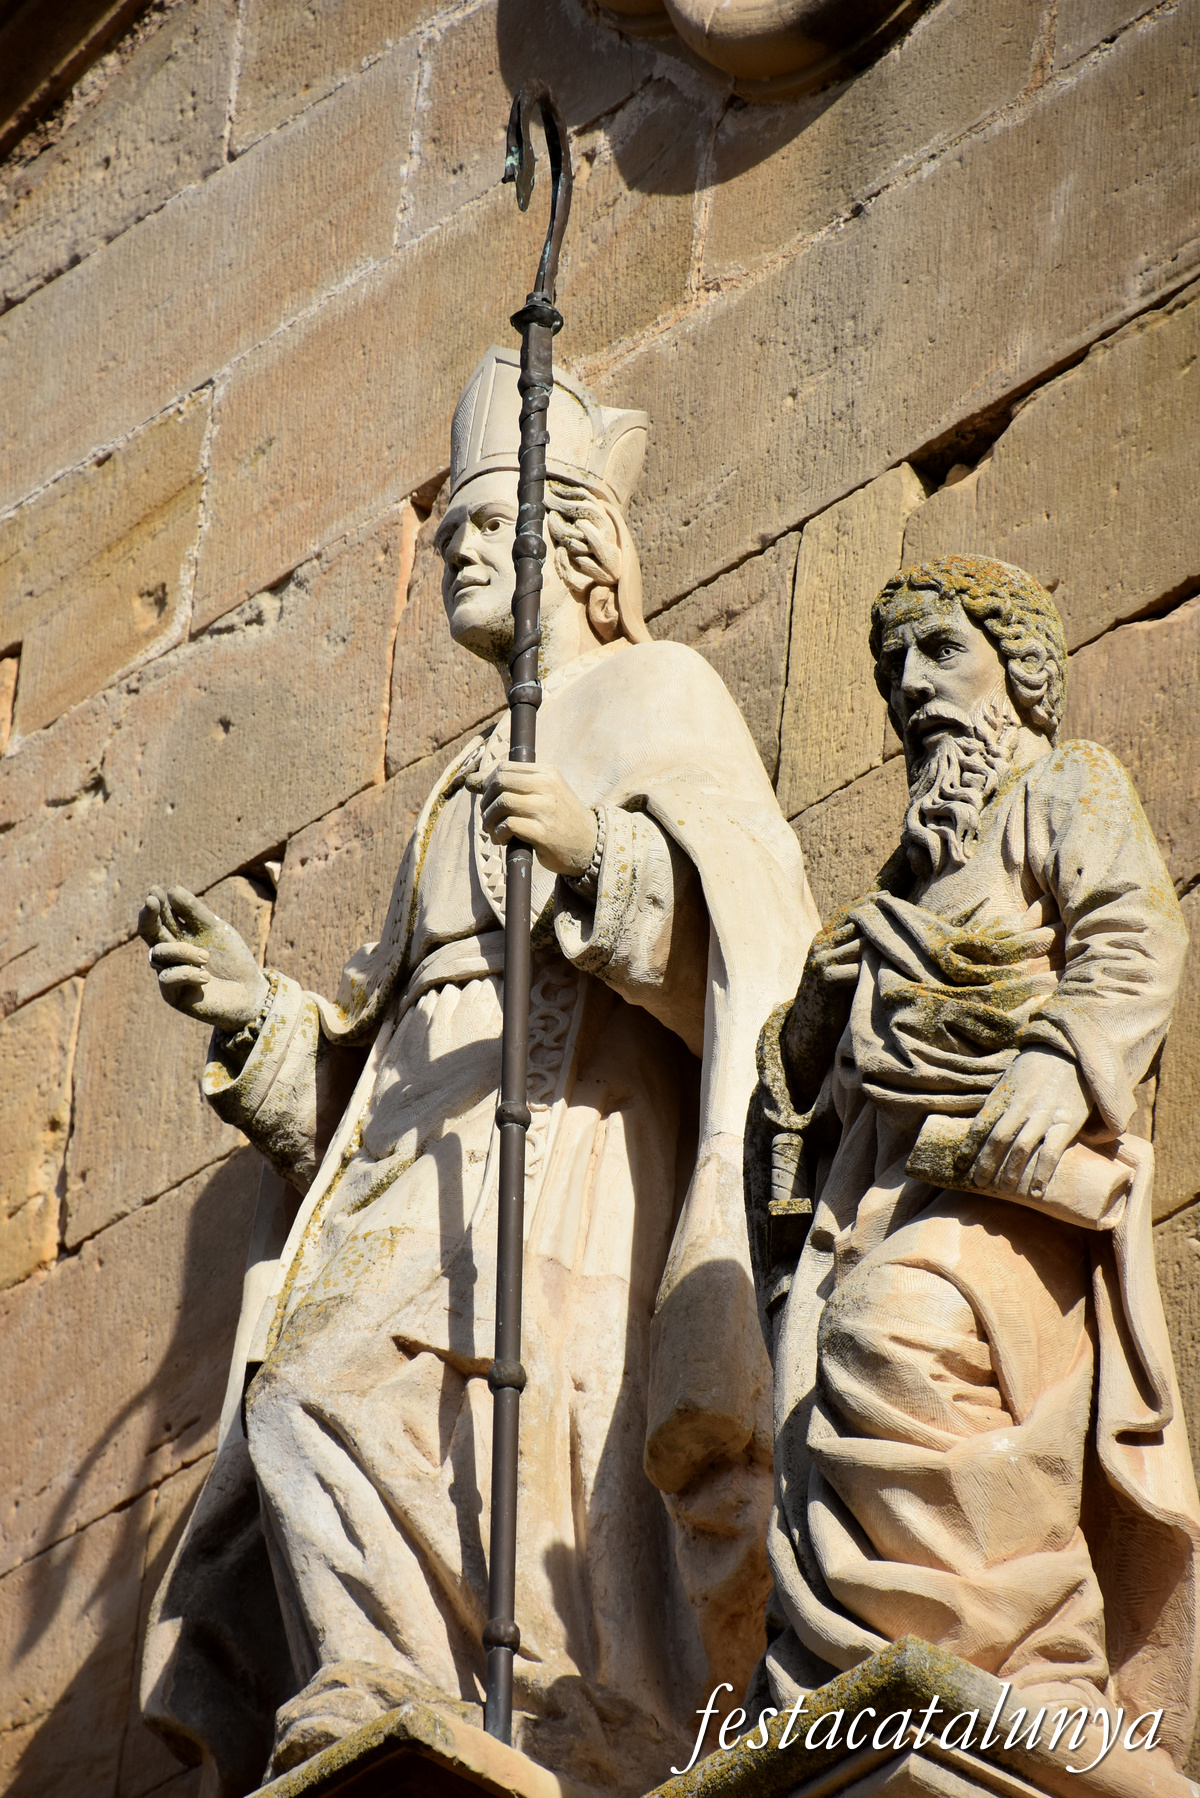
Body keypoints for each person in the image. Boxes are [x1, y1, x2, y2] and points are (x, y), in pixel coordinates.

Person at [138, 347, 818, 1796]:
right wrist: (260, 1022)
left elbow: (757, 930)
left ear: (573, 544)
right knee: (302, 1389)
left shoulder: (657, 690)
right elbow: (375, 1036)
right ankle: (382, 1667)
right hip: (413, 1145)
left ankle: (549, 1694)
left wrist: (601, 854)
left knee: (506, 1422)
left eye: (484, 526)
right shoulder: (457, 773)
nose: (453, 552)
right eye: (446, 531)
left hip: (569, 1133)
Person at [748, 555, 1200, 1778]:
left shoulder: (1062, 785)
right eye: (895, 667)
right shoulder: (893, 893)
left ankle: (1026, 1662)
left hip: (1012, 1184)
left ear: (1021, 670)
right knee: (823, 1408)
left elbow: (1134, 932)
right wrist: (812, 1024)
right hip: (882, 1198)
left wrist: (1060, 1061)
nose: (913, 685)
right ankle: (877, 1660)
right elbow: (803, 1114)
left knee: (895, 1335)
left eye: (942, 650)